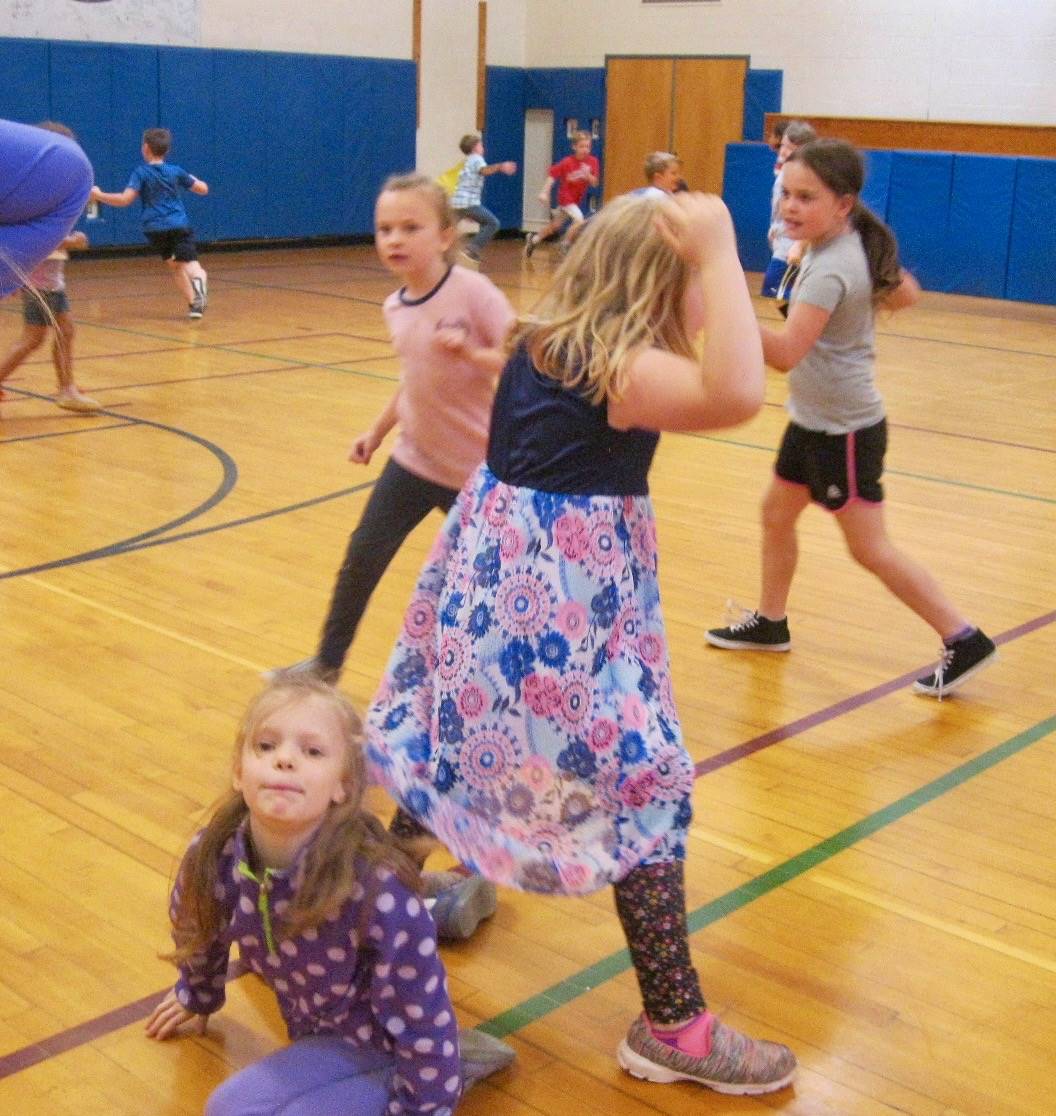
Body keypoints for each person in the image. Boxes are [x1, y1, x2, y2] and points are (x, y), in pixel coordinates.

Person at [366, 191, 797, 1095]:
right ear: (658, 283)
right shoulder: (620, 369)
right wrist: (722, 254)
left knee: (447, 758)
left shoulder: (542, 342)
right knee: (644, 784)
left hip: (503, 597)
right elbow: (740, 392)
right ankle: (674, 1027)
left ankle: (353, 923)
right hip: (550, 616)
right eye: (693, 286)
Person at [270, 173, 514, 934]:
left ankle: (487, 711)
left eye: (410, 227)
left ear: (446, 234)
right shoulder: (393, 304)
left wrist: (472, 351)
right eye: (384, 229)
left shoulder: (472, 294)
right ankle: (326, 666)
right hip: (414, 460)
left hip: (476, 475)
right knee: (361, 559)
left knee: (471, 604)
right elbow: (412, 378)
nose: (394, 241)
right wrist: (378, 431)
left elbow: (523, 365)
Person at [705, 139, 997, 699]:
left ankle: (964, 638)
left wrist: (722, 312)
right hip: (813, 419)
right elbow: (906, 292)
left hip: (844, 432)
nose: (789, 207)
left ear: (843, 204)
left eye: (805, 197)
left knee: (870, 549)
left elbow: (787, 352)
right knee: (775, 513)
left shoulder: (830, 266)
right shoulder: (842, 241)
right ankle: (771, 623)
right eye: (786, 194)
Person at [146, 676, 515, 1116]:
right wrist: (198, 991)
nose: (284, 759)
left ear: (342, 785)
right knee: (228, 1108)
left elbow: (421, 1017)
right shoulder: (215, 855)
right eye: (265, 747)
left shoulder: (379, 889)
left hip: (382, 1040)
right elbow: (197, 925)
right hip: (318, 1029)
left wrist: (424, 1106)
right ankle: (448, 906)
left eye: (312, 751)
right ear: (238, 772)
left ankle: (458, 1060)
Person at [0, 123, 101, 417]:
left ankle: (67, 388)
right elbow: (36, 243)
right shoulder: (29, 198)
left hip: (52, 282)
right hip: (39, 281)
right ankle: (65, 388)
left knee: (64, 331)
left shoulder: (47, 195)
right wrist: (73, 240)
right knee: (33, 338)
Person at [90, 127, 209, 319]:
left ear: (145, 148)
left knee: (176, 266)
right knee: (191, 265)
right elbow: (203, 189)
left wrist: (99, 195)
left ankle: (194, 305)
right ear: (167, 151)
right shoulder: (176, 171)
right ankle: (200, 284)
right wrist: (195, 179)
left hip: (155, 229)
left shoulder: (141, 173)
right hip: (178, 225)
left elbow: (124, 199)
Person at [0, 118, 92, 300]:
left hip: (52, 285)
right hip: (40, 285)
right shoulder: (68, 172)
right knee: (36, 328)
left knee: (63, 324)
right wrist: (72, 241)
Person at [761, 120, 816, 299]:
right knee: (778, 288)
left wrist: (799, 243)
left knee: (773, 287)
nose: (783, 151)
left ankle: (803, 317)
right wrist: (775, 226)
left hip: (792, 241)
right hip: (782, 237)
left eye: (790, 148)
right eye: (784, 145)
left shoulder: (805, 177)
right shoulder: (785, 171)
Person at [524, 130, 599, 259]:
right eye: (581, 146)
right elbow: (552, 176)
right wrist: (544, 191)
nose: (585, 149)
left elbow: (595, 183)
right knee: (579, 219)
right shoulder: (567, 162)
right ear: (574, 147)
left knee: (556, 225)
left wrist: (589, 176)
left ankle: (534, 239)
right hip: (565, 198)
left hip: (575, 199)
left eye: (588, 146)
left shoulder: (593, 162)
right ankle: (565, 244)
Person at [449, 133, 517, 268]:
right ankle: (472, 248)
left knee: (448, 229)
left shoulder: (468, 160)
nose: (483, 147)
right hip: (468, 202)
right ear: (475, 147)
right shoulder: (476, 159)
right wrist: (500, 167)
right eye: (480, 144)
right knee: (493, 223)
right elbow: (484, 171)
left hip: (458, 202)